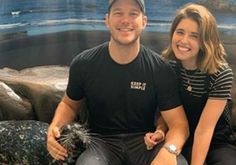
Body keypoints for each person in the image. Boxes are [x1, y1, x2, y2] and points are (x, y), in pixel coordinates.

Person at [47, 0, 189, 165]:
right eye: (118, 13)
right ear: (107, 20)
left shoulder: (160, 69)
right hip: (100, 143)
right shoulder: (84, 63)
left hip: (145, 142)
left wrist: (169, 150)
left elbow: (179, 125)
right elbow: (69, 104)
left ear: (144, 22)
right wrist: (54, 128)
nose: (125, 20)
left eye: (133, 14)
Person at [145, 3, 236, 165]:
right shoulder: (168, 67)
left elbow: (205, 130)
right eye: (180, 32)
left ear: (205, 41)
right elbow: (166, 111)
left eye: (195, 36)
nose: (184, 40)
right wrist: (160, 130)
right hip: (180, 138)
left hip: (216, 141)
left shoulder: (221, 73)